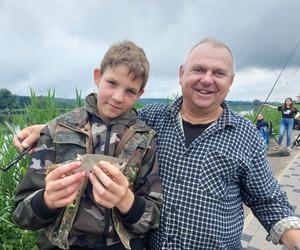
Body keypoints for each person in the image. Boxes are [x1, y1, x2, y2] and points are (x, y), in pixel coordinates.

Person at [13, 38, 300, 249]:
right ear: (181, 74)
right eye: (198, 69)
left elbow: (269, 201)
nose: (207, 80)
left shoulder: (246, 135)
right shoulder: (152, 119)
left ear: (231, 82)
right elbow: (100, 120)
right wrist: (48, 129)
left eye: (219, 73)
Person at [12, 40, 162, 250]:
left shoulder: (145, 141)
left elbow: (152, 218)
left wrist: (127, 202)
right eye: (112, 83)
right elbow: (21, 214)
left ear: (140, 94)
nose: (118, 97)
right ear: (97, 77)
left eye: (130, 91)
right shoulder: (57, 130)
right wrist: (46, 201)